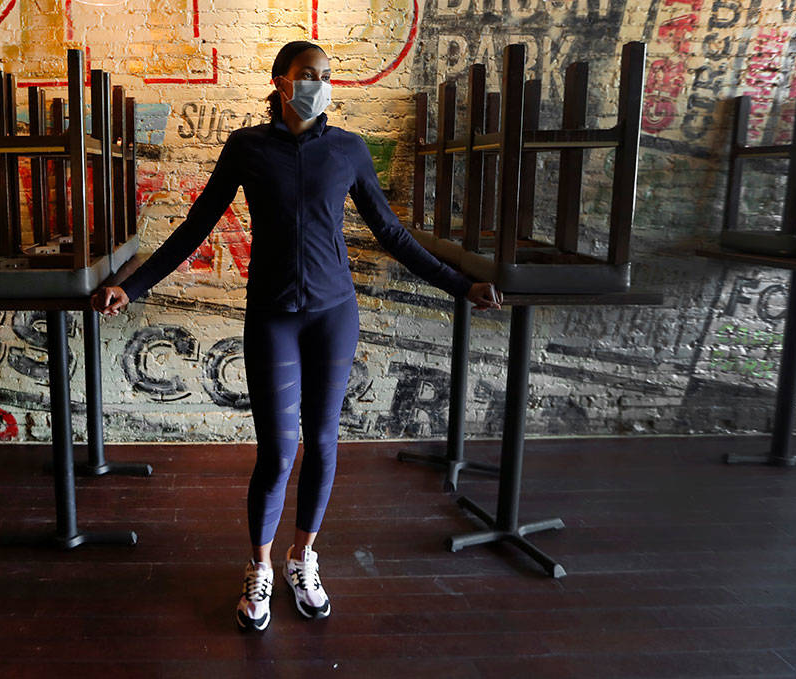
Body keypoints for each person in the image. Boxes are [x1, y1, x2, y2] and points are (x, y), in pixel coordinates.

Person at [91, 41, 501, 632]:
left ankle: (301, 558)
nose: (320, 83)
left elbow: (392, 234)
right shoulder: (247, 149)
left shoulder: (348, 150)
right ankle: (259, 568)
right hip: (274, 316)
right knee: (279, 452)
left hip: (334, 315)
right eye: (309, 74)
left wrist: (461, 285)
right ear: (282, 82)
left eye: (327, 75)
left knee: (325, 444)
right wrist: (134, 287)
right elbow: (195, 226)